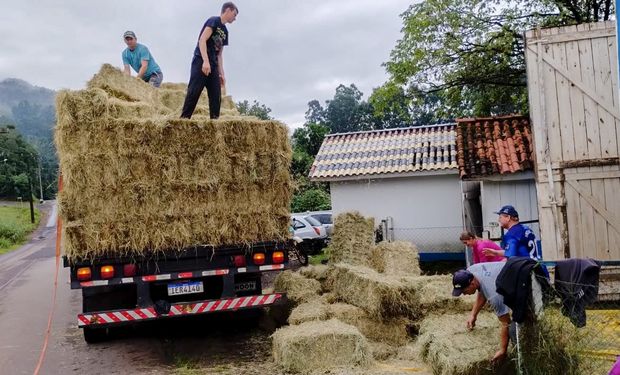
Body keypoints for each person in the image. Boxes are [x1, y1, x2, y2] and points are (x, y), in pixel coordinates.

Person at [181, 2, 238, 119]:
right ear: (227, 10)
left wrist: (222, 74)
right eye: (234, 14)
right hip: (201, 61)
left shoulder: (225, 32)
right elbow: (202, 40)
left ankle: (215, 123)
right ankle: (183, 120)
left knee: (216, 95)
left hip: (213, 65)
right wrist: (205, 61)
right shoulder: (214, 21)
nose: (235, 18)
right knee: (194, 92)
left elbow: (219, 55)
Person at [452, 262, 512, 364]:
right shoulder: (471, 271)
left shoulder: (494, 295)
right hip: (512, 270)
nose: (464, 294)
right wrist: (473, 315)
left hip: (528, 278)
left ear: (472, 284)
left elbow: (506, 323)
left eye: (464, 291)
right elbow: (482, 290)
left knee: (517, 327)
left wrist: (503, 350)